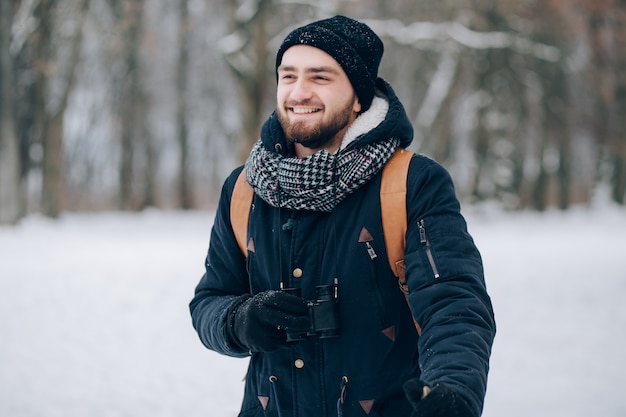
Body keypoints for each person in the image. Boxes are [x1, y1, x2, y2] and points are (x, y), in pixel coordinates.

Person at [190, 15, 495, 417]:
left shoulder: (411, 182)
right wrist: (238, 320)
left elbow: (453, 302)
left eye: (320, 78)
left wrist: (453, 390)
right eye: (288, 75)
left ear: (357, 97)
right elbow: (210, 300)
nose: (298, 92)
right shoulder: (245, 187)